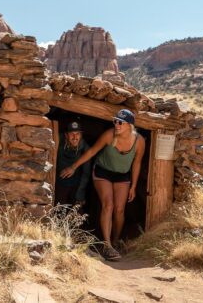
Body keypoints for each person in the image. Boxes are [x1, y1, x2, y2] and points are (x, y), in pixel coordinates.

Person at [59, 109, 145, 261]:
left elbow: (137, 163)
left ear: (130, 125)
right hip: (102, 172)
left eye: (120, 122)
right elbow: (92, 151)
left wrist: (133, 186)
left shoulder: (139, 141)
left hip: (123, 175)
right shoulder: (109, 135)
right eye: (115, 121)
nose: (116, 124)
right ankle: (106, 245)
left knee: (119, 210)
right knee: (108, 205)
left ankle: (115, 240)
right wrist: (73, 167)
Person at [54, 121, 91, 208]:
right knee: (58, 212)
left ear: (81, 135)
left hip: (76, 186)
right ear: (66, 135)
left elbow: (86, 173)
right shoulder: (58, 140)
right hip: (58, 184)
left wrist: (80, 193)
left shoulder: (85, 148)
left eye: (78, 134)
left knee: (76, 214)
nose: (75, 137)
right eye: (72, 134)